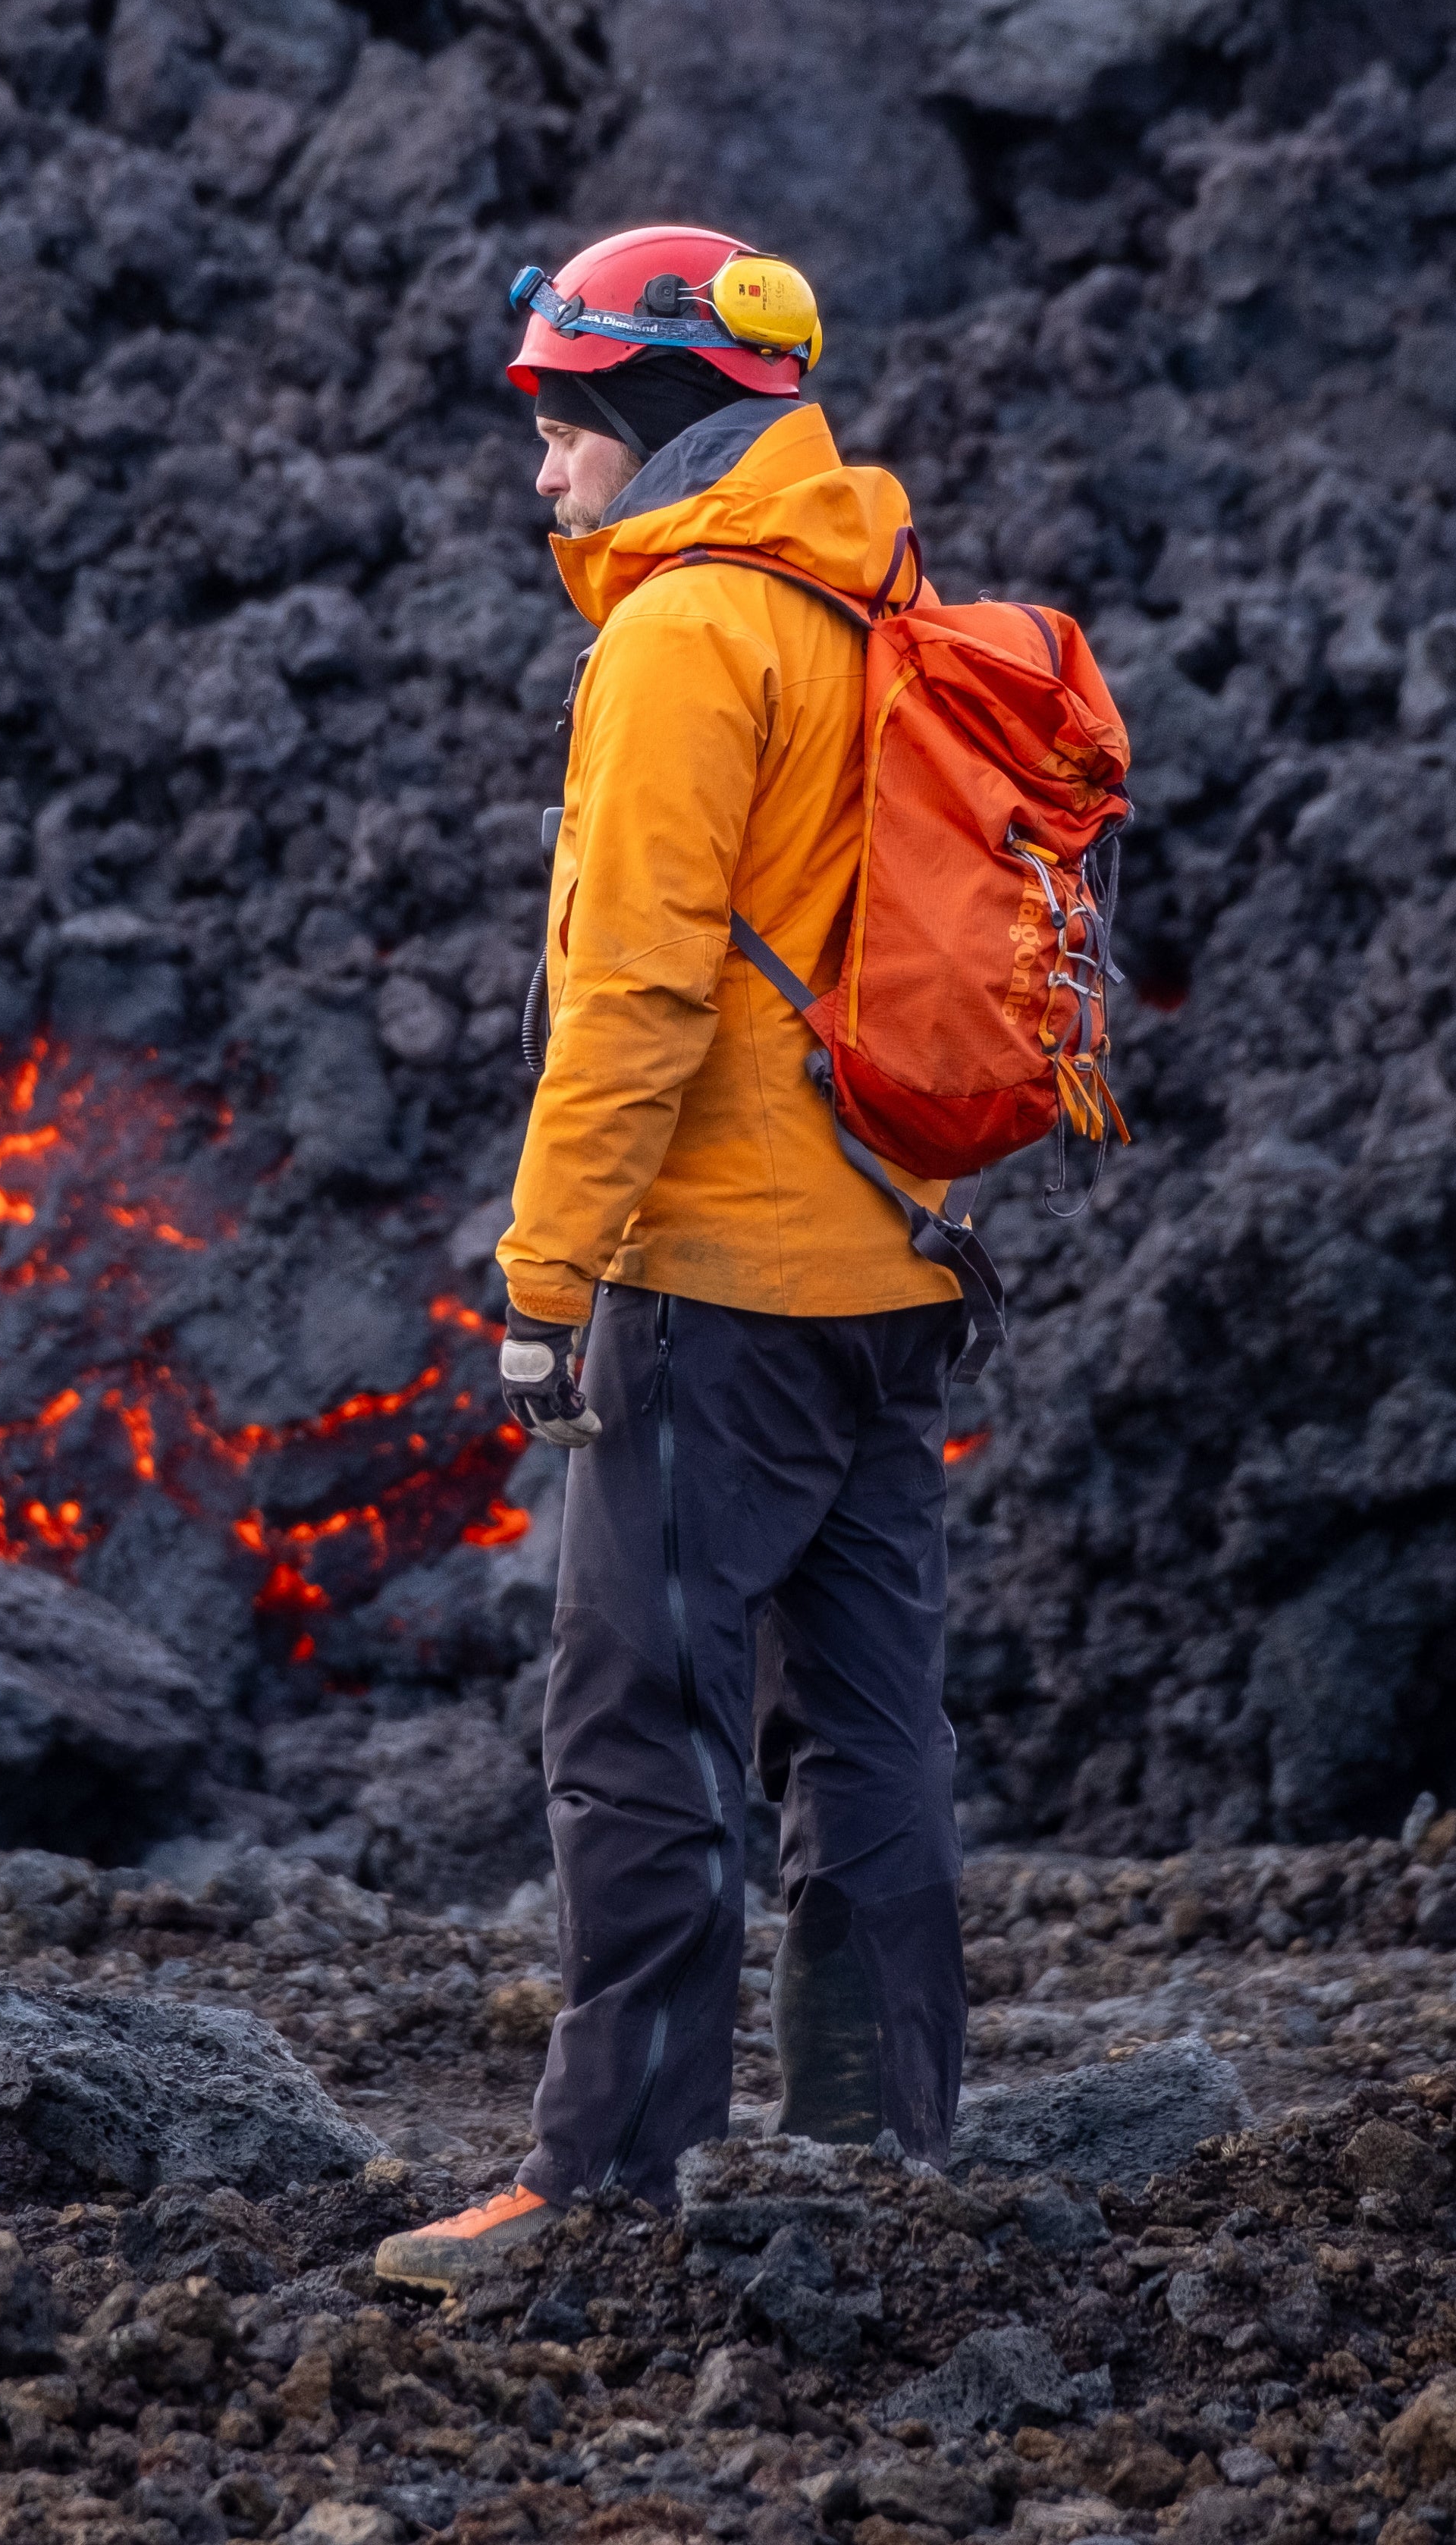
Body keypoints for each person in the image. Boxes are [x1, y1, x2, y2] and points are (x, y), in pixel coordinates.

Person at [378, 228, 974, 2295]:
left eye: (565, 430)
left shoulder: (686, 636)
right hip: (898, 1267)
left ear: (660, 423)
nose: (543, 476)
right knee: (872, 1725)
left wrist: (543, 1287)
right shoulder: (867, 600)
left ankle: (609, 2176)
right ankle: (878, 2142)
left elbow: (631, 993)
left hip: (713, 1278)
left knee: (639, 1720)